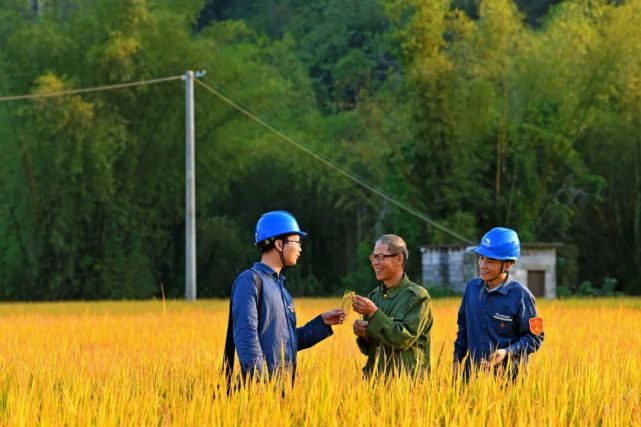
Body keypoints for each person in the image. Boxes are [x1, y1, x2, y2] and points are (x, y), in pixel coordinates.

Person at [224, 210, 345, 384]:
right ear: (279, 244)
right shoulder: (250, 281)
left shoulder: (280, 288)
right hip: (260, 392)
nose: (300, 248)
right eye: (297, 242)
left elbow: (286, 341)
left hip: (283, 390)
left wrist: (321, 323)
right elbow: (246, 335)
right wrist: (259, 384)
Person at [452, 227, 544, 381]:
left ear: (507, 265)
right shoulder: (472, 289)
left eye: (490, 261)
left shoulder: (521, 296)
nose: (483, 265)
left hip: (507, 382)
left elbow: (536, 337)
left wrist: (507, 352)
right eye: (481, 258)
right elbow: (463, 327)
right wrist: (457, 358)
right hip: (471, 379)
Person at [352, 234, 433, 377]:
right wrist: (363, 335)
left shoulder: (417, 296)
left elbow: (403, 340)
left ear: (399, 259)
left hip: (408, 385)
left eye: (381, 257)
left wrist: (374, 313)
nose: (375, 262)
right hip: (375, 381)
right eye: (373, 257)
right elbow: (369, 350)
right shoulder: (374, 297)